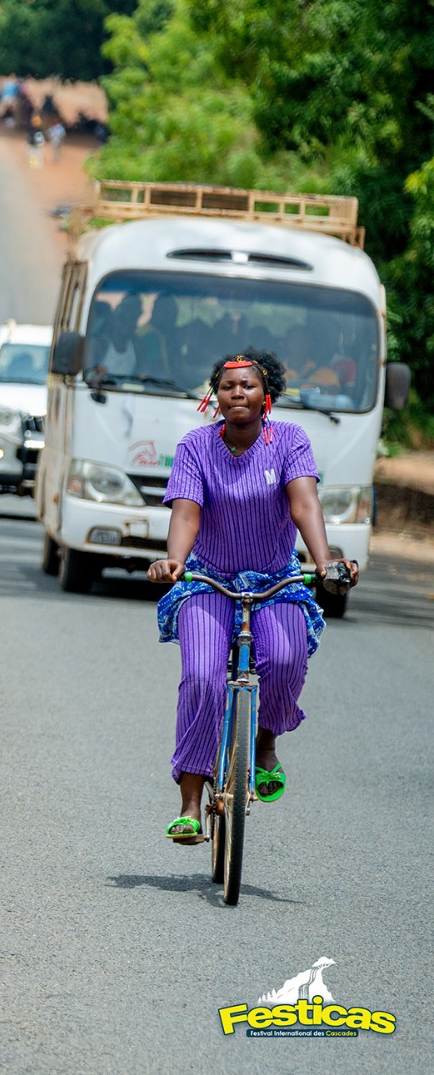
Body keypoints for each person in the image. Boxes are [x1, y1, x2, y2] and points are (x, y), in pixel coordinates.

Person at [147, 351, 357, 843]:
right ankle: (190, 806)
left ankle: (265, 744)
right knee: (201, 677)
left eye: (247, 386)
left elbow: (304, 504)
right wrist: (174, 560)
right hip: (209, 579)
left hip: (276, 581)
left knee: (285, 659)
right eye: (226, 386)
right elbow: (186, 512)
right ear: (213, 396)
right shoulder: (196, 446)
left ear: (267, 395)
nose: (236, 393)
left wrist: (325, 563)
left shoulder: (290, 441)